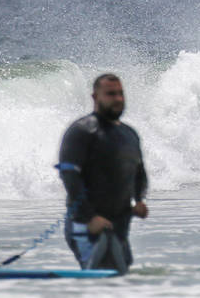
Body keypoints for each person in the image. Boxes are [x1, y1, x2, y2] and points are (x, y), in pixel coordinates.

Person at [57, 73, 149, 273]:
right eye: (110, 94)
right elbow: (70, 177)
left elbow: (139, 173)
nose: (118, 99)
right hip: (86, 225)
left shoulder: (129, 134)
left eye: (120, 93)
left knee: (119, 280)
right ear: (95, 97)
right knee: (99, 279)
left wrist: (139, 200)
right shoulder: (82, 131)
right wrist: (90, 217)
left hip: (119, 225)